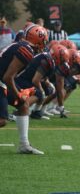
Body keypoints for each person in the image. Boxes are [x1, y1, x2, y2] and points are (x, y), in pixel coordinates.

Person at [0, 24, 48, 154]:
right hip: (1, 82)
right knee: (2, 120)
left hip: (2, 82)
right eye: (43, 40)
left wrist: (20, 94)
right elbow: (8, 77)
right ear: (38, 39)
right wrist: (18, 94)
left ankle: (24, 145)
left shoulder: (21, 45)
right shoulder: (26, 50)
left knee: (23, 106)